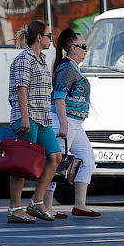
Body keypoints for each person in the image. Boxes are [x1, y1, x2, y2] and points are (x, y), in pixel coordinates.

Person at [6, 20, 62, 224]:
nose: (51, 40)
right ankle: (14, 208)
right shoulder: (24, 59)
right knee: (21, 164)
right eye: (49, 36)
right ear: (39, 37)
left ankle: (36, 201)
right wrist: (25, 118)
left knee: (55, 157)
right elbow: (22, 90)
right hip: (27, 118)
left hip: (44, 118)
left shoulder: (42, 59)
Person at [44, 28, 100, 218]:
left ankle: (80, 204)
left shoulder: (73, 66)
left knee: (87, 158)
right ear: (73, 48)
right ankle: (46, 206)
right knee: (55, 163)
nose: (86, 50)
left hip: (74, 121)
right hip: (63, 121)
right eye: (83, 46)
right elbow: (59, 97)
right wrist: (64, 125)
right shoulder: (66, 67)